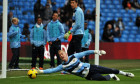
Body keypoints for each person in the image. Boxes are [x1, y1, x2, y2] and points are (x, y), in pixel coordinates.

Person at [36, 50, 135, 81]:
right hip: (88, 76)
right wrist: (40, 71)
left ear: (65, 53)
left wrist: (97, 51)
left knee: (109, 69)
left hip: (91, 67)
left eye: (62, 54)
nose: (61, 56)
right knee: (104, 79)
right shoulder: (63, 66)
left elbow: (85, 53)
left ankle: (125, 73)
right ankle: (113, 76)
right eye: (60, 55)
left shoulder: (73, 56)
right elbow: (52, 70)